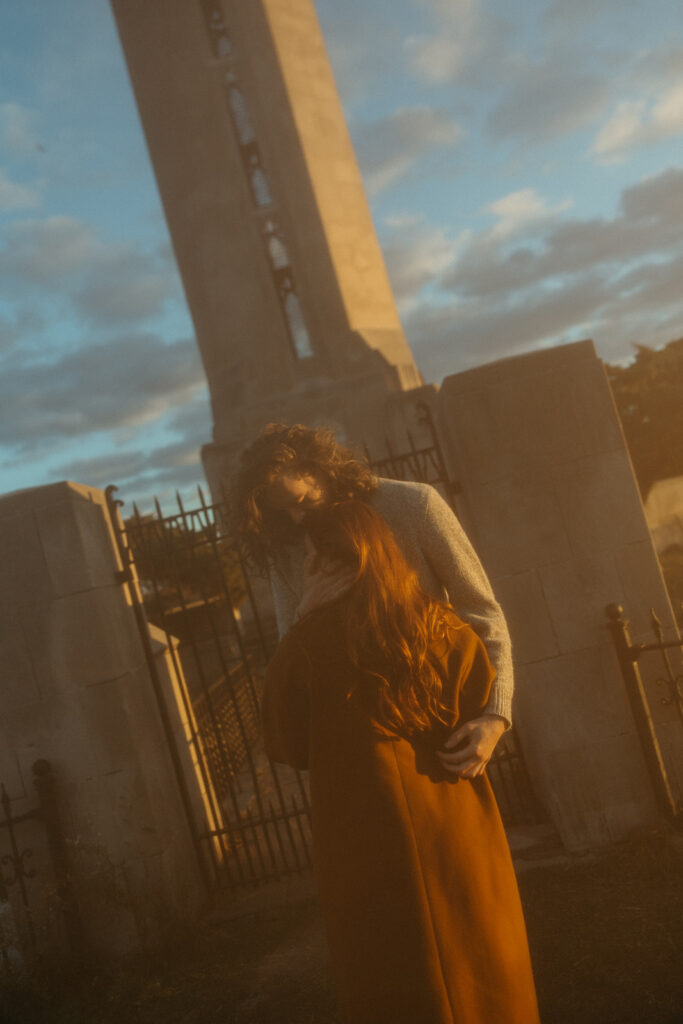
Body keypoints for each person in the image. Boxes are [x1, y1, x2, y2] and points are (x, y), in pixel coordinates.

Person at [260, 501, 540, 1024]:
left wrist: (302, 618)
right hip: (457, 829)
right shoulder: (447, 630)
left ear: (327, 563)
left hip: (363, 846)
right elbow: (480, 706)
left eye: (309, 558)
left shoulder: (305, 647)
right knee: (482, 967)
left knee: (391, 978)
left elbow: (285, 744)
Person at [233, 423, 513, 777]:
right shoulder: (288, 548)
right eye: (282, 511)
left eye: (300, 501)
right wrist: (308, 609)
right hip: (356, 746)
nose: (295, 517)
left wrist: (495, 715)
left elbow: (482, 611)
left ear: (319, 469)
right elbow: (291, 661)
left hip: (438, 721)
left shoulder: (414, 505)